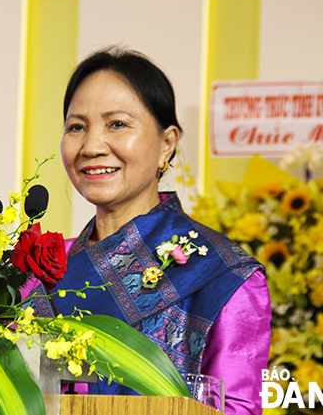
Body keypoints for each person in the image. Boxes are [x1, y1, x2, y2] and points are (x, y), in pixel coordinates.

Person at [27, 46, 271, 415]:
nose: (92, 146)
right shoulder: (37, 269)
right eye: (77, 127)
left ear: (167, 143)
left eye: (118, 124)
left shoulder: (223, 276)